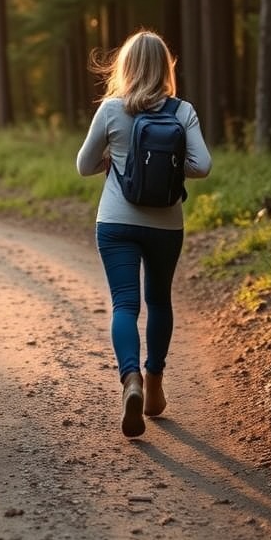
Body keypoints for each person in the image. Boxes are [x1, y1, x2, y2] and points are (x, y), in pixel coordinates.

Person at [75, 29, 212, 438]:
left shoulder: (111, 110)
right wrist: (169, 167)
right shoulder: (182, 111)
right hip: (166, 223)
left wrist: (115, 158)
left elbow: (83, 165)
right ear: (166, 68)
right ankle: (154, 387)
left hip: (116, 221)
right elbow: (201, 165)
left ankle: (130, 379)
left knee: (124, 305)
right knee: (159, 301)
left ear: (126, 67)